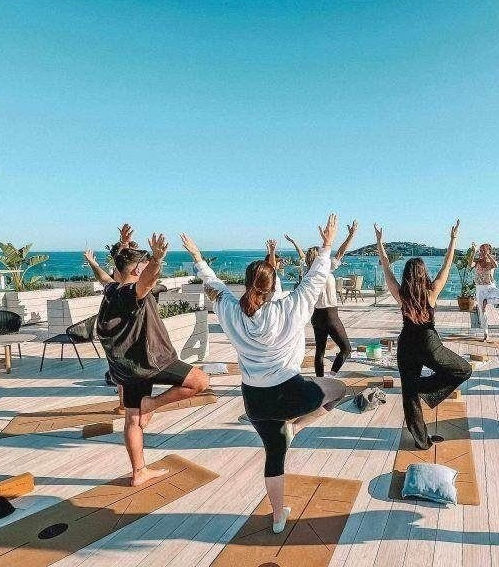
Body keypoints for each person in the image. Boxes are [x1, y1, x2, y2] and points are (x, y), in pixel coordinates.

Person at [181, 214, 347, 534]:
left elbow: (213, 285)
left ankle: (277, 517)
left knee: (274, 455)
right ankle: (296, 427)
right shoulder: (288, 308)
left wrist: (197, 257)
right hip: (291, 393)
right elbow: (314, 280)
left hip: (255, 401)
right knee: (338, 390)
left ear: (246, 284)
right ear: (273, 289)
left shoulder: (230, 310)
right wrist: (327, 245)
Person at [87, 224, 210, 487]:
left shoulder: (111, 289)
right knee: (200, 381)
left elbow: (106, 275)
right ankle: (152, 404)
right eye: (141, 266)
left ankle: (139, 472)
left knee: (132, 419)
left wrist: (120, 246)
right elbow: (145, 281)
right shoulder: (131, 294)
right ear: (136, 271)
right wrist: (156, 259)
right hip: (152, 361)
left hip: (126, 368)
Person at [375, 219, 472, 450]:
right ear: (423, 274)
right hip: (429, 343)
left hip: (406, 344)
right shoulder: (432, 292)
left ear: (407, 275)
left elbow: (386, 266)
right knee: (463, 369)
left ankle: (421, 439)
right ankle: (423, 391)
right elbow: (447, 265)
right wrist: (453, 239)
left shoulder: (401, 294)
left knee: (410, 394)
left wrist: (379, 242)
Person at [284, 220, 359, 378]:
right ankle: (331, 376)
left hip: (316, 317)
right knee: (346, 349)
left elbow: (302, 255)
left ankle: (320, 381)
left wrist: (294, 242)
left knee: (320, 352)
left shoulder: (307, 274)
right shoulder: (326, 268)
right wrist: (351, 236)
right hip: (331, 316)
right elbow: (341, 252)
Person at [470, 242, 499, 341]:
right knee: (482, 312)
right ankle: (486, 333)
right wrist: (473, 252)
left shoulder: (492, 261)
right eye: (480, 250)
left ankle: (487, 301)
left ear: (489, 251)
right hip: (480, 289)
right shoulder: (477, 261)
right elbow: (470, 264)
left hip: (491, 287)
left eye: (483, 250)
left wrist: (488, 255)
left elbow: (496, 265)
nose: (481, 252)